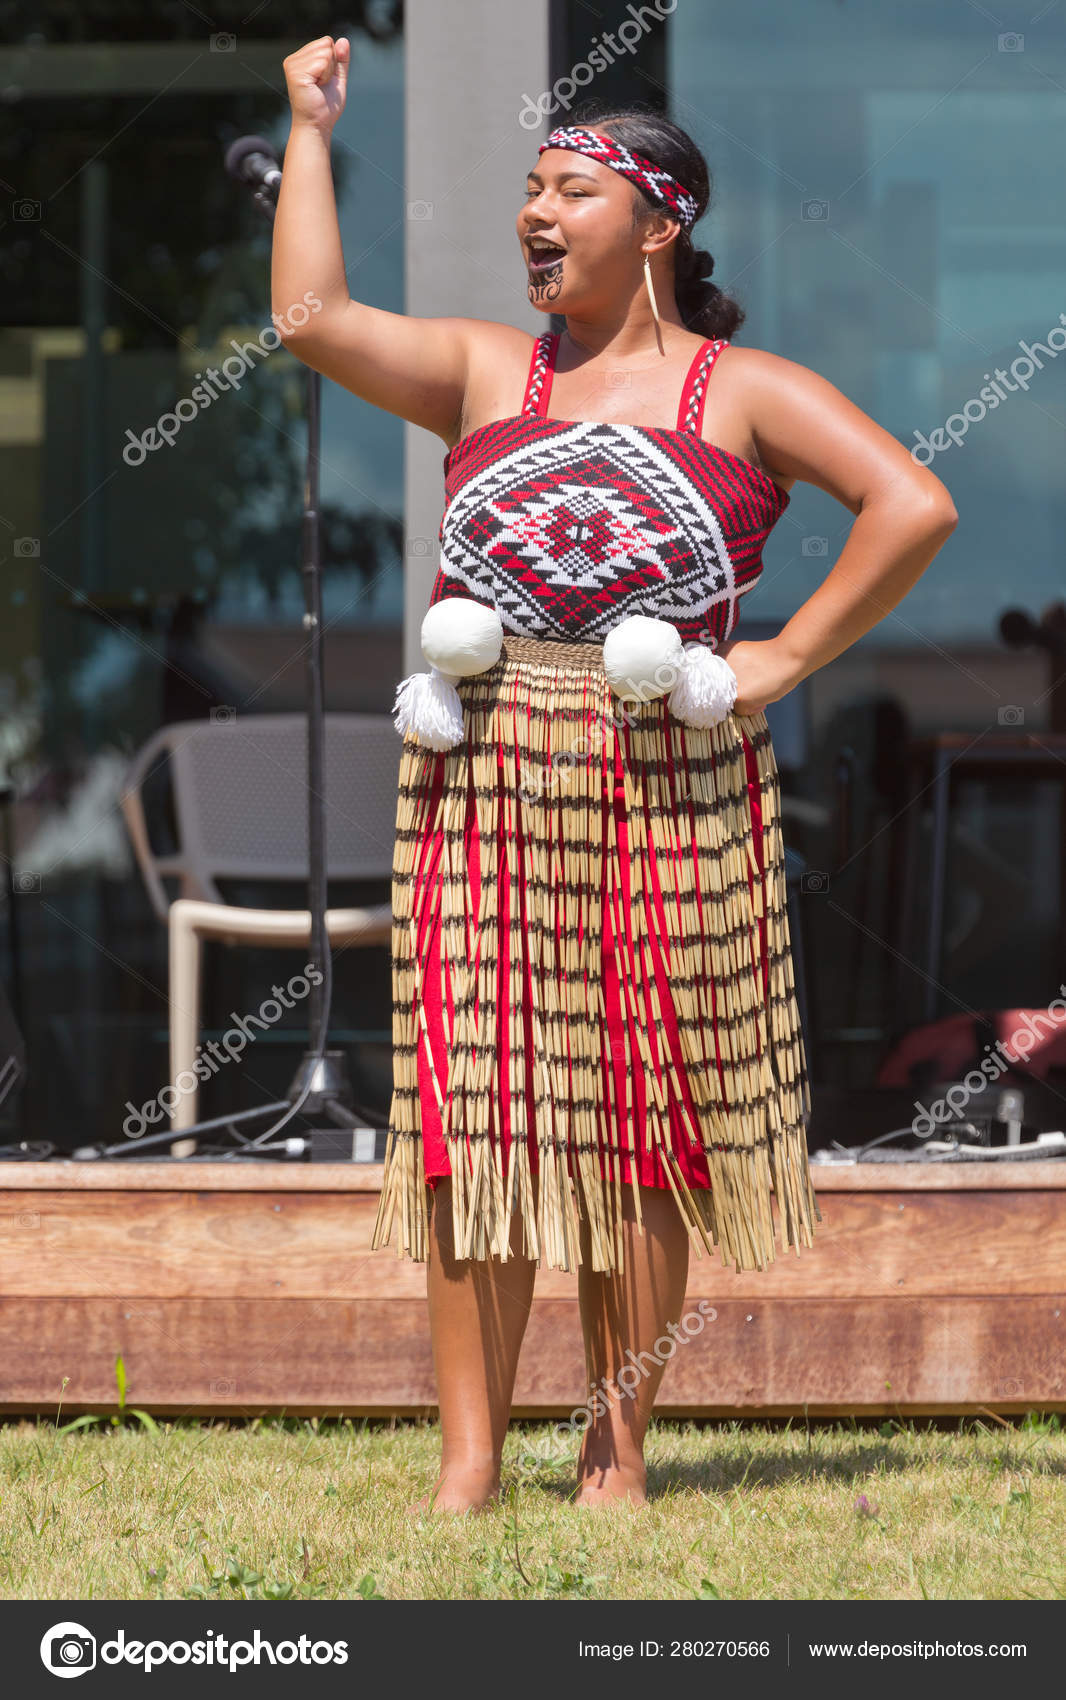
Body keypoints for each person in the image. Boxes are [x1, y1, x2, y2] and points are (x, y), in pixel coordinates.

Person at [273, 36, 958, 1513]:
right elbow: (313, 317)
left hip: (669, 783)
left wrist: (781, 662)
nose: (535, 212)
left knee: (641, 1122)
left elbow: (912, 503)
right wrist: (310, 131)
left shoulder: (741, 391)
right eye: (527, 188)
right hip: (487, 775)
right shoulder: (477, 371)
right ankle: (468, 1462)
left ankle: (612, 1447)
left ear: (659, 224)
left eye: (569, 190)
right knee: (478, 1117)